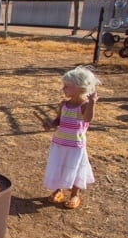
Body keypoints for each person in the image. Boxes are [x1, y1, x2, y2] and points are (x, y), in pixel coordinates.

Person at [42, 66, 101, 209]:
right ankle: (58, 190)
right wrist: (51, 124)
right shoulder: (64, 104)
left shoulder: (84, 106)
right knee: (59, 167)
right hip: (59, 143)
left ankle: (75, 194)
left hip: (75, 146)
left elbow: (87, 119)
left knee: (74, 169)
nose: (64, 89)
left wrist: (92, 102)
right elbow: (59, 120)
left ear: (80, 88)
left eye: (67, 86)